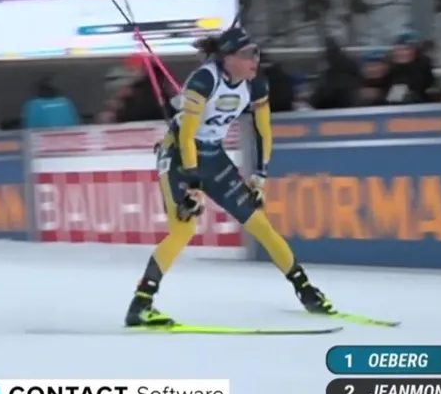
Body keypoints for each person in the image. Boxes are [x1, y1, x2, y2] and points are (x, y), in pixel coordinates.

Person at [125, 25, 333, 328]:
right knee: (184, 229)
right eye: (248, 54)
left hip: (213, 157)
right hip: (180, 155)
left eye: (256, 53)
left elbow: (263, 131)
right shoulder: (204, 80)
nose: (255, 60)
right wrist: (194, 185)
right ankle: (141, 304)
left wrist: (259, 177)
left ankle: (307, 291)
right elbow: (187, 136)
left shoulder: (256, 85)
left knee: (260, 224)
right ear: (228, 58)